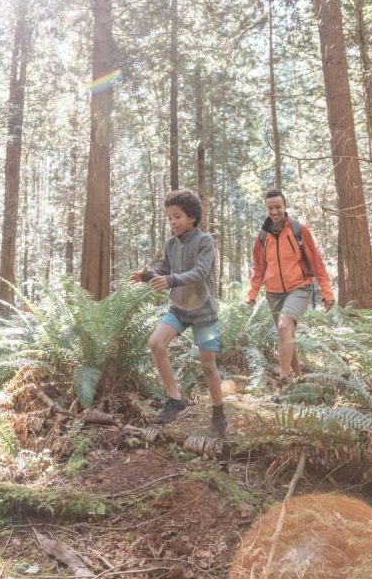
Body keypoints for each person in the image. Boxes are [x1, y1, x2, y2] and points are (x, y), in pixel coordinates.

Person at [131, 189, 227, 439]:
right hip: (179, 310)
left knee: (208, 366)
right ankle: (176, 402)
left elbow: (201, 272)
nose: (173, 222)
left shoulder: (205, 241)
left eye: (178, 216)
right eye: (169, 218)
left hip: (203, 313)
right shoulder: (171, 244)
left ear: (192, 217)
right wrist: (147, 275)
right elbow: (165, 268)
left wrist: (170, 279)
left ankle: (218, 415)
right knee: (155, 343)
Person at [246, 187, 335, 386]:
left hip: (299, 288)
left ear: (285, 207)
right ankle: (299, 377)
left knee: (284, 326)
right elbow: (259, 269)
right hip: (273, 293)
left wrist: (327, 291)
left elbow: (316, 262)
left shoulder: (298, 230)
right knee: (286, 333)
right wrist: (252, 293)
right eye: (270, 208)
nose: (274, 211)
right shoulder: (262, 237)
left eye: (278, 207)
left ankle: (283, 380)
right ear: (266, 209)